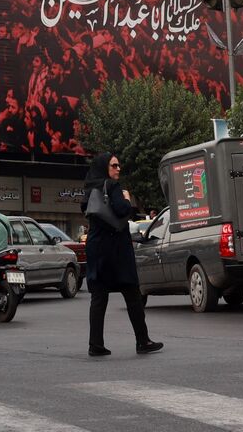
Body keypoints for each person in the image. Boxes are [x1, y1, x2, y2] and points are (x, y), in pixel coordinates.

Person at [81, 152, 162, 357]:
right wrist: (126, 199)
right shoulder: (113, 186)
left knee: (98, 296)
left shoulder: (90, 189)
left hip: (96, 248)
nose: (118, 169)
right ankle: (143, 341)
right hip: (115, 249)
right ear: (105, 167)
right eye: (114, 165)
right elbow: (120, 209)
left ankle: (95, 344)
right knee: (132, 294)